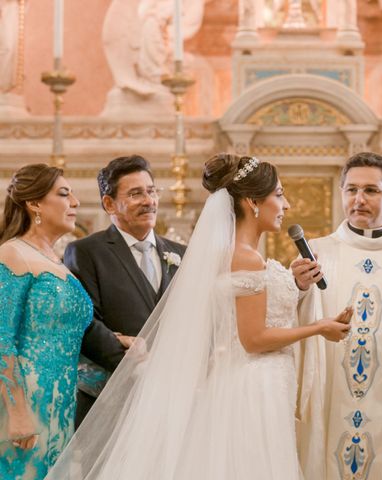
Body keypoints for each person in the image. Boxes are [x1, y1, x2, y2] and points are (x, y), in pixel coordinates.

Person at [46, 153, 352, 479]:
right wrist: (318, 327)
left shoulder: (227, 255)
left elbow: (237, 317)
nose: (286, 205)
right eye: (278, 194)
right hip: (249, 382)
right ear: (252, 202)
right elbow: (252, 338)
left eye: (152, 191)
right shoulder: (244, 258)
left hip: (258, 380)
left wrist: (294, 284)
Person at [293, 152, 382, 479]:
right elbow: (290, 322)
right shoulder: (318, 253)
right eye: (351, 190)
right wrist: (298, 288)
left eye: (371, 191)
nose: (359, 199)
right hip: (331, 391)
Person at [63, 155, 186, 426]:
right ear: (109, 203)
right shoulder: (85, 252)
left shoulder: (182, 254)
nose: (148, 201)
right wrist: (137, 368)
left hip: (174, 397)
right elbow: (85, 323)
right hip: (111, 399)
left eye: (151, 191)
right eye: (135, 194)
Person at [0, 164, 92, 480]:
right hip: (25, 402)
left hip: (62, 402)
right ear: (34, 203)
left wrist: (120, 340)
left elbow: (66, 332)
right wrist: (17, 412)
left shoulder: (55, 260)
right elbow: (1, 338)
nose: (75, 203)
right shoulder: (12, 254)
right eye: (64, 194)